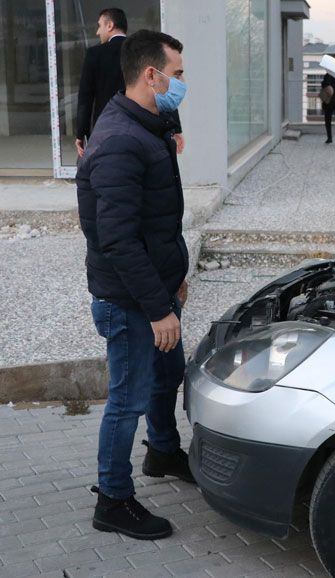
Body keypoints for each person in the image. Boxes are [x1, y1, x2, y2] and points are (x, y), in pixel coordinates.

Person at [76, 29, 192, 541]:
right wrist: (157, 308)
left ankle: (163, 452)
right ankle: (114, 500)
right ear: (152, 74)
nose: (182, 84)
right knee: (128, 400)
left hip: (157, 291)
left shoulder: (148, 125)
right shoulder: (122, 140)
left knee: (168, 375)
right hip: (131, 303)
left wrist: (175, 280)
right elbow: (118, 240)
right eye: (179, 75)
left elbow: (156, 220)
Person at [75, 8, 184, 158]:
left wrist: (81, 134)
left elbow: (85, 98)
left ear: (110, 25)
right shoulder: (141, 52)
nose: (97, 32)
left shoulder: (95, 54)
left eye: (99, 26)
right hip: (145, 123)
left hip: (106, 127)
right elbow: (162, 86)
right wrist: (175, 128)